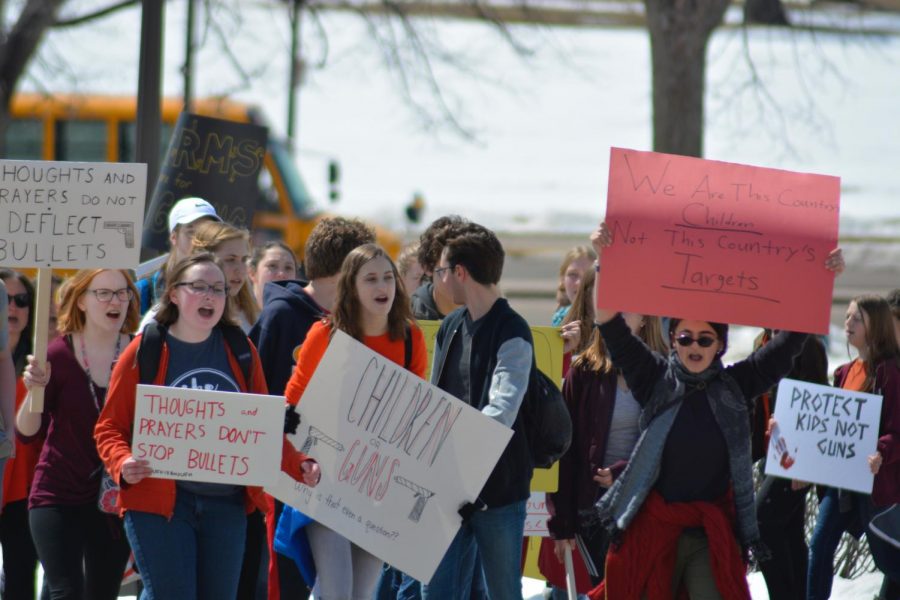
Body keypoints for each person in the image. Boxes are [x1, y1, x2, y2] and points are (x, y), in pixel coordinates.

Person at [587, 222, 843, 599]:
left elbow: (790, 341)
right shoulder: (654, 377)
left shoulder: (737, 386)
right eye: (684, 337)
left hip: (710, 531)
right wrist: (604, 262)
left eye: (705, 339)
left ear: (720, 344)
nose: (694, 345)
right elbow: (610, 325)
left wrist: (821, 278)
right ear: (672, 340)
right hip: (653, 527)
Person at [93, 253, 320, 600]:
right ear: (173, 294)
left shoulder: (240, 349)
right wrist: (122, 462)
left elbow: (262, 429)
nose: (210, 296)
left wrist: (298, 463)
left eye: (217, 288)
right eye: (198, 287)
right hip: (160, 506)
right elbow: (109, 427)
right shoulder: (146, 349)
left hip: (226, 507)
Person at [283, 243, 427, 600]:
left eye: (389, 278)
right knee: (336, 591)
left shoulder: (411, 338)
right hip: (326, 478)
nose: (383, 287)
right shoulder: (325, 334)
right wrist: (298, 463)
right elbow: (292, 406)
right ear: (351, 286)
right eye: (371, 279)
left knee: (362, 595)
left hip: (379, 485)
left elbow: (416, 416)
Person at [249, 217, 374, 600]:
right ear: (345, 270)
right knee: (286, 584)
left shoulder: (360, 321)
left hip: (345, 479)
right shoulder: (282, 316)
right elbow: (262, 397)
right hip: (288, 479)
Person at [421, 224, 534, 600]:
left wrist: (458, 445)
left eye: (441, 271)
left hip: (498, 491)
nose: (438, 282)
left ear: (460, 273)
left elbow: (501, 410)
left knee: (503, 593)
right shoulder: (450, 326)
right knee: (435, 591)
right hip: (447, 488)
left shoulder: (513, 330)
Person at [16, 269, 140, 600]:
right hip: (58, 494)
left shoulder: (143, 354)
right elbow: (26, 432)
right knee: (65, 592)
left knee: (103, 593)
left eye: (122, 292)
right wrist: (34, 390)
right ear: (82, 300)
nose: (115, 301)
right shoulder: (57, 353)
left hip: (113, 498)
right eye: (104, 293)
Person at [547, 267, 667, 596]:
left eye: (629, 307)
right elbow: (564, 450)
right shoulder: (584, 371)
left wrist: (624, 474)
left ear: (645, 318)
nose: (620, 314)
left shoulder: (664, 374)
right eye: (614, 306)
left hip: (646, 509)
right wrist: (561, 522)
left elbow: (668, 447)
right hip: (593, 511)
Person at [806, 295, 900, 600]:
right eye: (847, 317)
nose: (848, 323)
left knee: (888, 560)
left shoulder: (889, 372)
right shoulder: (844, 372)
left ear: (877, 326)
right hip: (842, 481)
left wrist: (881, 452)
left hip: (874, 485)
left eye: (857, 319)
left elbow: (896, 430)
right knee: (820, 545)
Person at [749, 330, 828, 600]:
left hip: (795, 459)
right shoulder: (761, 343)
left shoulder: (808, 345)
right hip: (772, 457)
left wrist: (805, 462)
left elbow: (818, 403)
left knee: (762, 522)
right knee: (789, 532)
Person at [0, 270, 44, 600]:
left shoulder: (43, 363)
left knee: (20, 580)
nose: (12, 308)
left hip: (24, 491)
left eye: (22, 300)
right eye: (4, 300)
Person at [136, 197, 221, 315]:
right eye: (191, 232)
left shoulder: (227, 287)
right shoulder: (144, 290)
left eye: (207, 232)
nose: (200, 240)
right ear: (174, 237)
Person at [410, 216, 468, 321]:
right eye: (449, 270)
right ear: (427, 268)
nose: (458, 278)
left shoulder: (484, 314)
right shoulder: (410, 316)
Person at [551, 247, 595, 327]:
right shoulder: (559, 318)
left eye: (587, 275)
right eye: (573, 274)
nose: (579, 283)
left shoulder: (608, 322)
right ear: (562, 279)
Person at [248, 241, 299, 310]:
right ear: (252, 273)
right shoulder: (234, 316)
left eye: (288, 268)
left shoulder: (302, 317)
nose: (281, 274)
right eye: (272, 266)